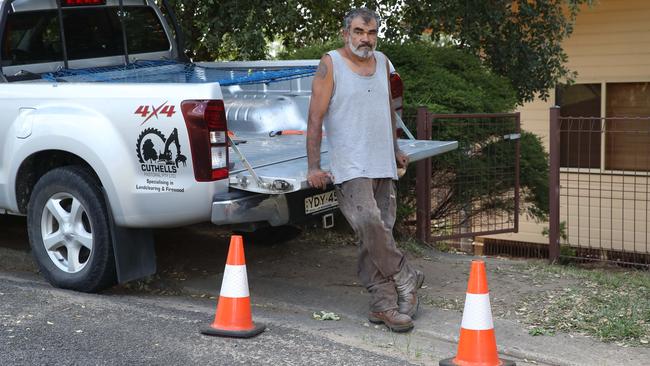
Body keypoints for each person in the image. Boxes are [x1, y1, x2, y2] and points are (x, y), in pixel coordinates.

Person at [306, 7, 424, 332]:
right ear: (346, 33)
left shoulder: (383, 62)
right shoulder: (330, 64)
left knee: (378, 232)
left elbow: (387, 108)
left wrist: (396, 148)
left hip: (381, 161)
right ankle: (405, 276)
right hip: (351, 164)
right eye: (359, 32)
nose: (365, 39)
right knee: (370, 223)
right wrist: (314, 166)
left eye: (371, 33)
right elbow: (314, 118)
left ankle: (383, 307)